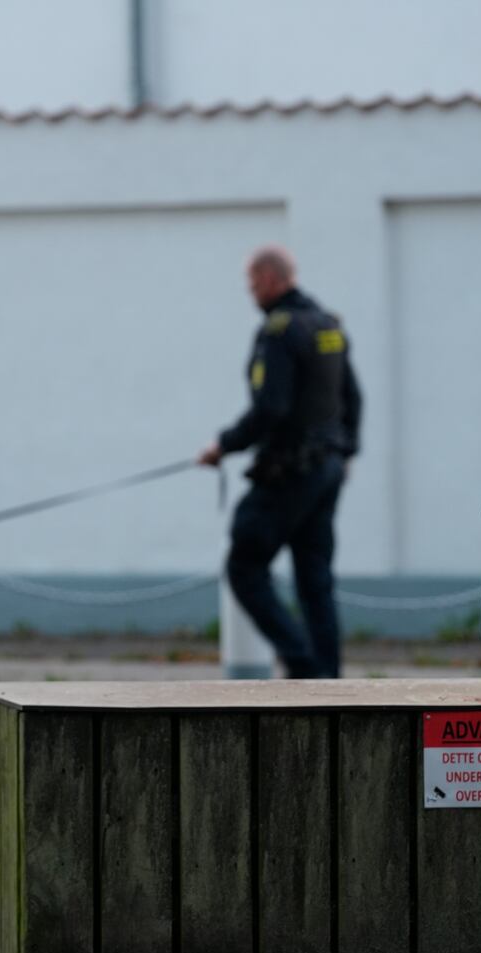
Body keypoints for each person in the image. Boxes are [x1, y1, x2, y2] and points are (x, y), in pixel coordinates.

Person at [198, 245, 362, 679]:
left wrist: (223, 446)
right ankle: (328, 681)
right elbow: (353, 397)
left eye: (253, 283)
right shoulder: (327, 324)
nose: (251, 293)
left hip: (290, 470)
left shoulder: (280, 330)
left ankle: (305, 666)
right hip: (327, 470)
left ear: (271, 279)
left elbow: (271, 408)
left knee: (244, 566)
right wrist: (347, 452)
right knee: (315, 580)